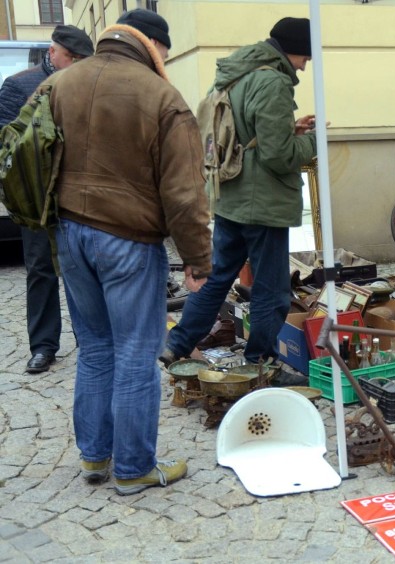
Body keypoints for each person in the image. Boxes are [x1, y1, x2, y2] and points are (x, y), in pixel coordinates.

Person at [44, 9, 212, 494]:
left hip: (70, 234)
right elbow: (184, 194)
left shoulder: (60, 82)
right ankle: (134, 467)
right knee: (137, 354)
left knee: (95, 349)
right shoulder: (161, 96)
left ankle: (95, 458)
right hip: (128, 241)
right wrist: (199, 261)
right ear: (154, 47)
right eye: (167, 52)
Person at [161, 17, 317, 374]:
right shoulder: (274, 82)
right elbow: (278, 156)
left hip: (230, 195)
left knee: (217, 278)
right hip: (262, 204)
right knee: (271, 289)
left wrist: (289, 129)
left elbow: (250, 132)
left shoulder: (238, 72)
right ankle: (259, 361)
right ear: (294, 48)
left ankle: (178, 344)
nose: (305, 65)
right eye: (305, 56)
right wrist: (311, 141)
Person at [0, 25, 94, 374]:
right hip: (37, 196)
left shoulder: (88, 84)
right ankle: (43, 345)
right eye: (76, 60)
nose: (80, 67)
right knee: (40, 269)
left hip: (76, 195)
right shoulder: (19, 86)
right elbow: (6, 143)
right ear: (55, 54)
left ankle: (89, 339)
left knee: (80, 269)